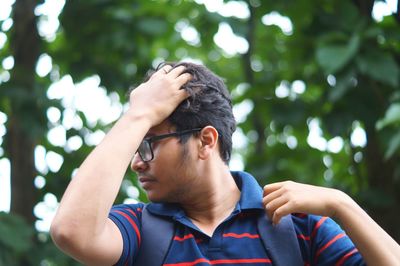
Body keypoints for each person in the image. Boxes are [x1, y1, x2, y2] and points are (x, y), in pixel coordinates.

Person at [50, 62, 400, 266]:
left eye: (147, 144)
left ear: (206, 141)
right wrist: (138, 115)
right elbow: (72, 232)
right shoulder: (139, 229)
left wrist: (341, 204)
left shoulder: (295, 224)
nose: (137, 163)